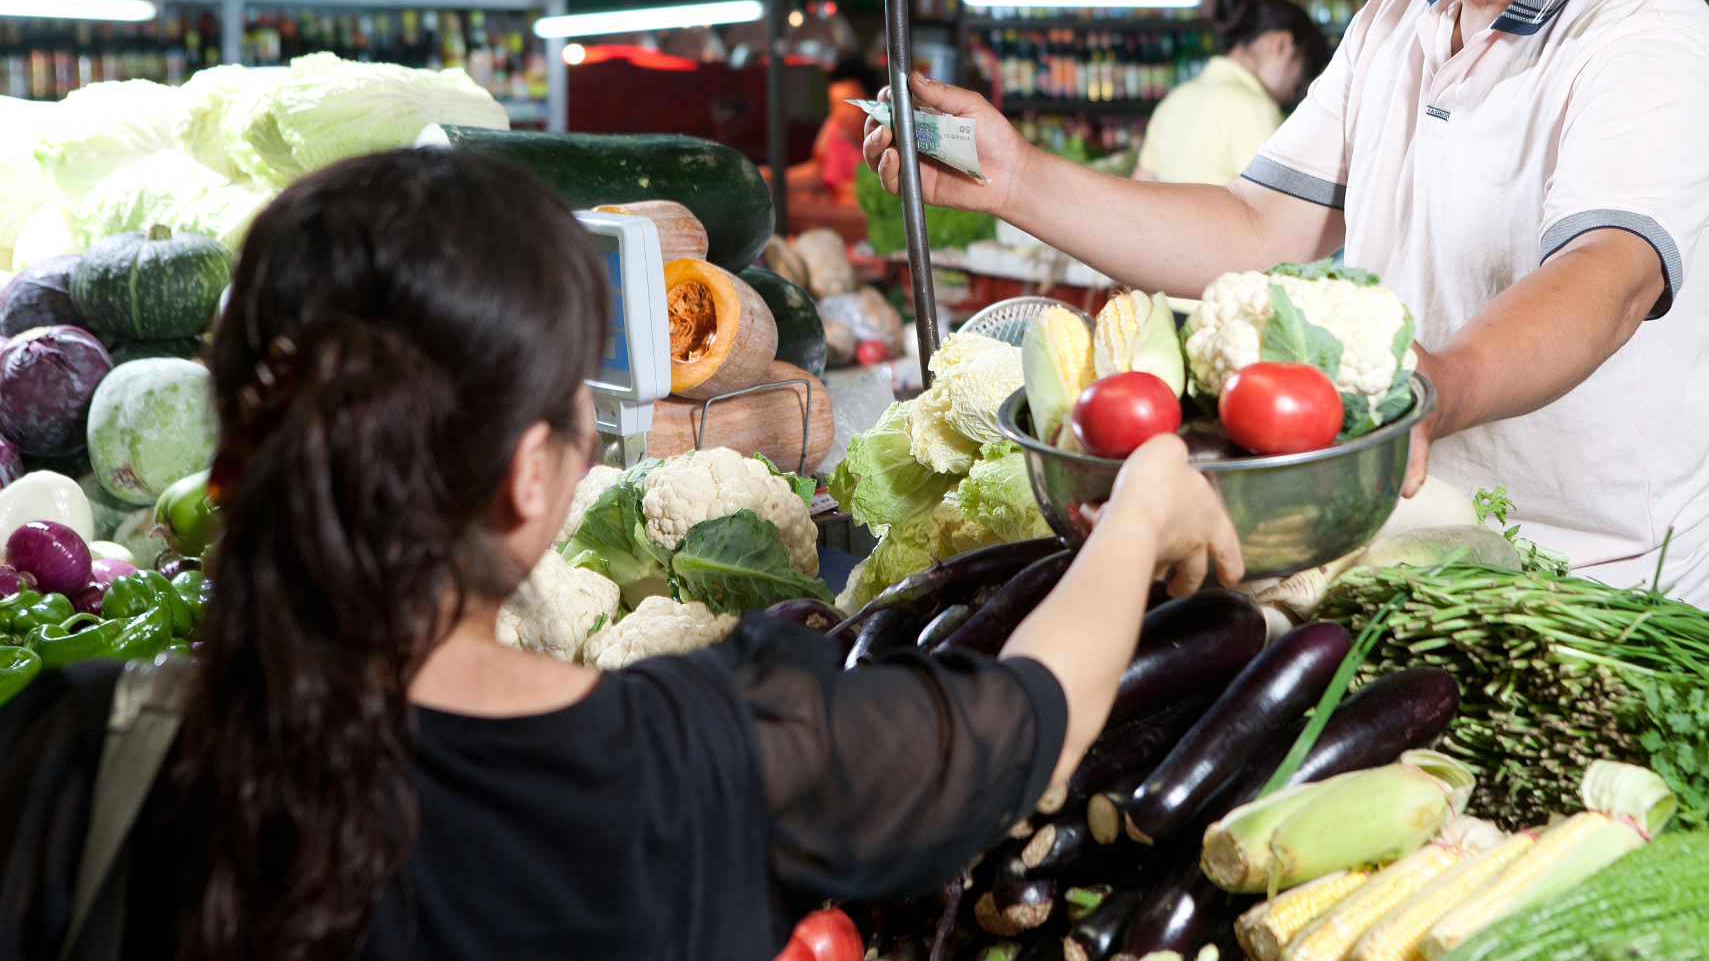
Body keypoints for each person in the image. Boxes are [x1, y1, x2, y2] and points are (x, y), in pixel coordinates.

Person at [52, 150, 1240, 960]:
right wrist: (1133, 518)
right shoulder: (694, 757)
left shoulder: (71, 754)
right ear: (530, 479)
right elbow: (1025, 715)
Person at [868, 0, 1709, 615]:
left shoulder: (1643, 34)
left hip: (1606, 599)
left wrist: (1436, 390)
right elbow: (1256, 227)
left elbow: (1606, 278)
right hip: (1420, 562)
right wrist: (1015, 178)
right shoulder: (1396, 19)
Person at [1133, 0, 1331, 186]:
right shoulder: (1253, 108)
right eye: (1303, 76)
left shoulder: (1174, 100)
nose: (1293, 92)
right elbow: (1281, 209)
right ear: (1280, 44)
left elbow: (1139, 193)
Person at [788, 56, 884, 207]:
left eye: (850, 103)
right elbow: (819, 170)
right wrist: (774, 178)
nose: (841, 113)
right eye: (835, 104)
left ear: (872, 100)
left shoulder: (889, 132)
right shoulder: (832, 126)